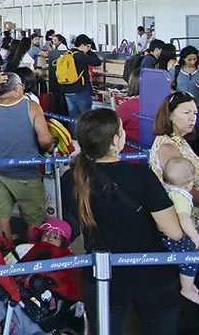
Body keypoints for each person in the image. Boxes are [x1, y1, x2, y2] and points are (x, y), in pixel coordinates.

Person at [62, 108, 185, 335]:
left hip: (102, 276)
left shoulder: (72, 178)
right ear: (115, 140)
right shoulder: (141, 176)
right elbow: (174, 232)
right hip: (152, 275)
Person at [0, 72, 53, 241]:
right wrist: (51, 144)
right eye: (21, 85)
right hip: (26, 174)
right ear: (16, 87)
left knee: (2, 219)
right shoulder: (32, 107)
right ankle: (31, 259)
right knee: (34, 221)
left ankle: (8, 257)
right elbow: (45, 140)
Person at [149, 91, 199, 218]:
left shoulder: (179, 139)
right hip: (186, 215)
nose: (192, 118)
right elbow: (183, 191)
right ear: (170, 115)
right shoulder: (168, 147)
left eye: (195, 113)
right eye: (186, 113)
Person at [160, 156, 199, 303]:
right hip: (173, 237)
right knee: (190, 258)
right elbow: (183, 218)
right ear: (188, 184)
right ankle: (187, 287)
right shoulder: (181, 197)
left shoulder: (166, 189)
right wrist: (195, 235)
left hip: (162, 233)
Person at [61, 34, 102, 119]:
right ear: (82, 45)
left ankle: (72, 132)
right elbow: (97, 62)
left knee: (72, 118)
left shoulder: (67, 53)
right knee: (86, 118)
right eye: (88, 47)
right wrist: (90, 51)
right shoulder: (81, 56)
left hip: (67, 90)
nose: (88, 49)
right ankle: (85, 133)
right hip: (80, 91)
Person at [115, 68, 142, 147]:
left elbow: (113, 128)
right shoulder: (163, 104)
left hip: (131, 153)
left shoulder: (127, 106)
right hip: (156, 152)